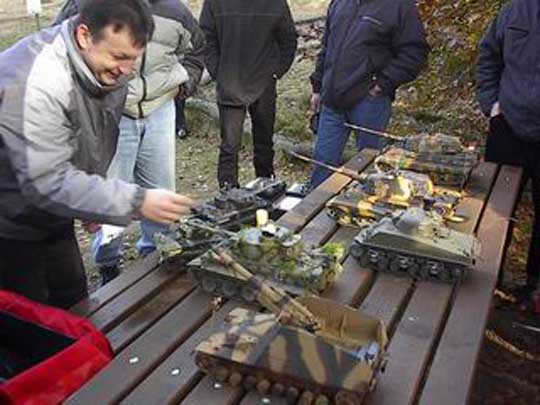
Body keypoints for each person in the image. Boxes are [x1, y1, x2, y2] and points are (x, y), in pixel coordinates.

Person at [0, 0, 193, 309]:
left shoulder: (107, 69)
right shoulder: (36, 82)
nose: (127, 70)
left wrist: (90, 200)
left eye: (134, 58)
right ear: (84, 35)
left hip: (50, 215)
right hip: (9, 220)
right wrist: (138, 201)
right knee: (28, 319)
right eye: (119, 57)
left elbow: (94, 135)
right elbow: (45, 181)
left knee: (75, 303)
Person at [56, 0, 205, 284]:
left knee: (160, 189)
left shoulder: (176, 11)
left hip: (160, 108)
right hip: (114, 111)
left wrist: (185, 83)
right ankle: (108, 263)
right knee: (110, 193)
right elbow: (61, 45)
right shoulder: (87, 5)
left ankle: (157, 254)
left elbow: (199, 48)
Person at [308, 0, 430, 188]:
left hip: (369, 102)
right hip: (332, 100)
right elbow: (327, 48)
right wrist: (317, 87)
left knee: (371, 166)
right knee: (323, 161)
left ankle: (370, 203)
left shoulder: (399, 6)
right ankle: (314, 203)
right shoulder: (339, 3)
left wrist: (382, 84)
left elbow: (415, 53)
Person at [476, 0, 540, 310]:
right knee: (493, 208)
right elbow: (488, 55)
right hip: (508, 126)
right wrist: (491, 103)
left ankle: (535, 286)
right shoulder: (516, 10)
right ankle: (487, 277)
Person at [200, 0, 298, 189]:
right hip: (230, 80)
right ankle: (228, 191)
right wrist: (218, 72)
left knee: (264, 141)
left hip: (263, 81)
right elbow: (206, 38)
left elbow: (288, 38)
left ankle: (266, 186)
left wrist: (276, 72)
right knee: (230, 145)